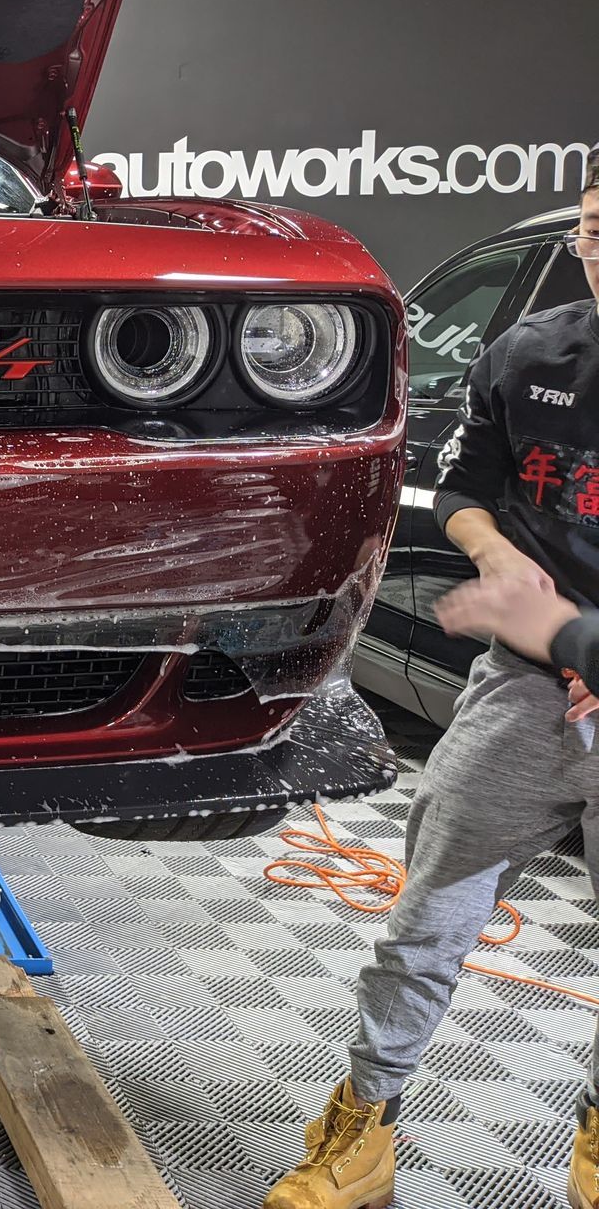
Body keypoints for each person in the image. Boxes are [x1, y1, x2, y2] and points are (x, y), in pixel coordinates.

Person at [265, 145, 599, 1209]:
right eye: (594, 227)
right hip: (526, 691)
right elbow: (467, 487)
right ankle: (363, 1137)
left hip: (568, 657)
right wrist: (498, 556)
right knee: (426, 925)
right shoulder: (530, 352)